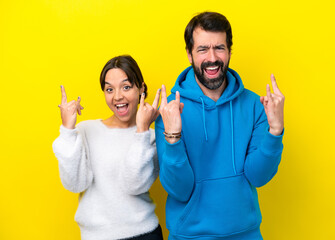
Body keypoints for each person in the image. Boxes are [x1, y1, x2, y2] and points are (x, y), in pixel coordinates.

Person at [155, 12, 285, 240]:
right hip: (190, 235)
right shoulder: (170, 110)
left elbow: (258, 176)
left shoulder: (255, 105)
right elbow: (179, 189)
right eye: (202, 49)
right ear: (189, 54)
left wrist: (274, 132)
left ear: (230, 52)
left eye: (220, 48)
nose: (212, 58)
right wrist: (173, 137)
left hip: (246, 234)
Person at [52, 55, 164, 240]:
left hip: (144, 234)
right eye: (109, 89)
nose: (118, 96)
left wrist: (142, 131)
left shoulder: (151, 138)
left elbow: (134, 185)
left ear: (141, 88)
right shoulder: (86, 130)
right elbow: (74, 184)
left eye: (126, 87)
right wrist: (67, 130)